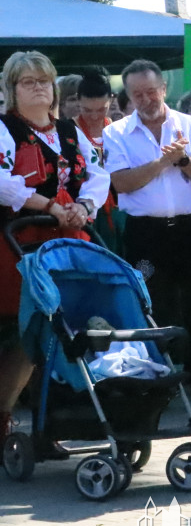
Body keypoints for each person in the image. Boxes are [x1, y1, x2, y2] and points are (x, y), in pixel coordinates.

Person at [103, 59, 191, 413]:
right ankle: (154, 390)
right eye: (137, 94)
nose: (146, 99)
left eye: (151, 91)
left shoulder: (188, 125)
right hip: (146, 232)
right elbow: (121, 182)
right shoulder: (117, 132)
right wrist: (161, 163)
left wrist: (184, 161)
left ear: (164, 89)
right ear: (128, 96)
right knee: (152, 310)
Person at [0, 51, 109, 448]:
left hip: (67, 240)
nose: (38, 88)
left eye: (44, 81)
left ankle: (59, 419)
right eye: (27, 82)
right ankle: (5, 415)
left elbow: (97, 173)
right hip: (20, 241)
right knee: (23, 335)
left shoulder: (68, 130)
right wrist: (47, 205)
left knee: (69, 329)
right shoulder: (5, 128)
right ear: (11, 89)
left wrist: (84, 206)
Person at [74, 66, 124, 255]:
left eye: (101, 109)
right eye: (87, 110)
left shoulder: (118, 130)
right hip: (84, 211)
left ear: (111, 100)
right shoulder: (68, 131)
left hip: (120, 213)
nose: (94, 116)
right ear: (78, 101)